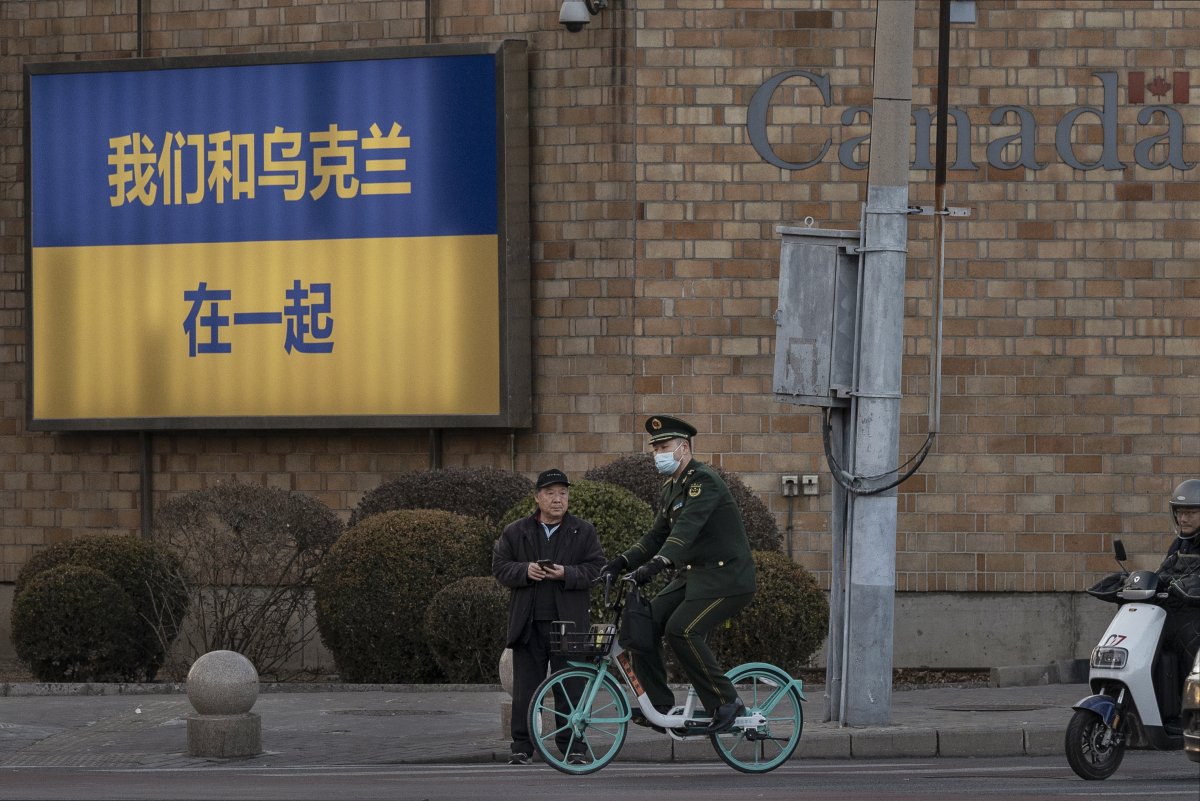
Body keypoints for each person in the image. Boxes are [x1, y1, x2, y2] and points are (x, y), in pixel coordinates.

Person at [600, 415, 756, 734]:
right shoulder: (672, 487)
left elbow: (684, 531)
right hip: (694, 576)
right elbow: (656, 535)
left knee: (681, 630)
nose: (658, 452)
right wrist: (620, 563)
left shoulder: (704, 481)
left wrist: (658, 564)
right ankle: (659, 705)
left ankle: (727, 702)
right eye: (655, 447)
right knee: (645, 623)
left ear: (683, 448)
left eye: (664, 446)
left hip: (728, 579)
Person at [492, 468, 604, 765]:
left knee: (570, 687)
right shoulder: (516, 531)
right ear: (538, 498)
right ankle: (522, 747)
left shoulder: (584, 531)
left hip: (569, 625)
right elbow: (501, 567)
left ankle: (574, 747)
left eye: (563, 493)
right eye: (551, 493)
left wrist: (566, 573)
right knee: (526, 689)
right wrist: (525, 571)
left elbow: (596, 570)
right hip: (528, 624)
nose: (558, 499)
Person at [1158, 479, 1200, 701]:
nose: (1183, 518)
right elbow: (1163, 572)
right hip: (1176, 616)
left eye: (1191, 513)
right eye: (1180, 512)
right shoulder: (1179, 544)